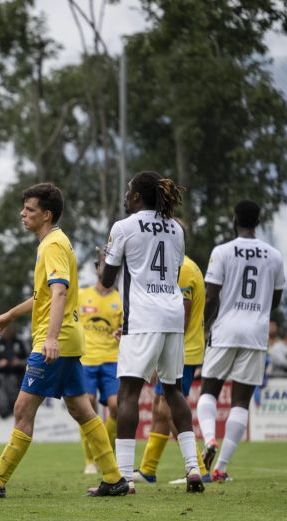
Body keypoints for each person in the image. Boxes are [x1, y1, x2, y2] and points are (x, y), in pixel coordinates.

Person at [0, 183, 126, 500]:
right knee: (81, 408)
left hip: (55, 341)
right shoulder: (55, 242)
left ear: (46, 215)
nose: (23, 214)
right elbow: (43, 295)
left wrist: (50, 337)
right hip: (68, 339)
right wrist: (11, 314)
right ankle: (114, 478)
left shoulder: (52, 244)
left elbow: (59, 292)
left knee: (23, 408)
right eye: (23, 208)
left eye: (30, 210)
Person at [97, 171, 204, 494]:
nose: (126, 197)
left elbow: (106, 281)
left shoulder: (124, 227)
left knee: (129, 393)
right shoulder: (176, 228)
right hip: (172, 316)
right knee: (174, 392)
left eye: (129, 191)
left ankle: (124, 478)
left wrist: (105, 257)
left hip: (142, 318)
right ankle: (193, 469)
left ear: (138, 196)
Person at [196, 200, 285, 481]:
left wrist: (200, 325)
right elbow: (277, 299)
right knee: (240, 402)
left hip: (225, 330)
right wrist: (258, 314)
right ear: (258, 222)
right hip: (255, 333)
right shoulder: (274, 255)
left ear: (234, 220)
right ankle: (221, 467)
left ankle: (209, 439)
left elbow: (211, 296)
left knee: (208, 390)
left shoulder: (222, 252)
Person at [135, 248, 210, 485]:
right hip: (181, 348)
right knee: (160, 408)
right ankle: (148, 470)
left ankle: (199, 469)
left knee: (168, 409)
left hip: (183, 350)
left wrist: (163, 352)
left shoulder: (183, 269)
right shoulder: (182, 265)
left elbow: (183, 318)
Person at [77, 257, 122, 473]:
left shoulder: (121, 299)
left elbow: (128, 327)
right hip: (86, 360)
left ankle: (105, 450)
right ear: (96, 269)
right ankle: (89, 461)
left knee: (116, 407)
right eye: (103, 265)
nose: (107, 269)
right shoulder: (81, 295)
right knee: (87, 405)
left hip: (112, 360)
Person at [0, 324, 29, 419]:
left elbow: (31, 360)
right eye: (4, 329)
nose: (6, 331)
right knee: (3, 406)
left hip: (19, 377)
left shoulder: (21, 342)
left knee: (19, 405)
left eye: (9, 328)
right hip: (2, 378)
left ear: (13, 329)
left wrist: (19, 362)